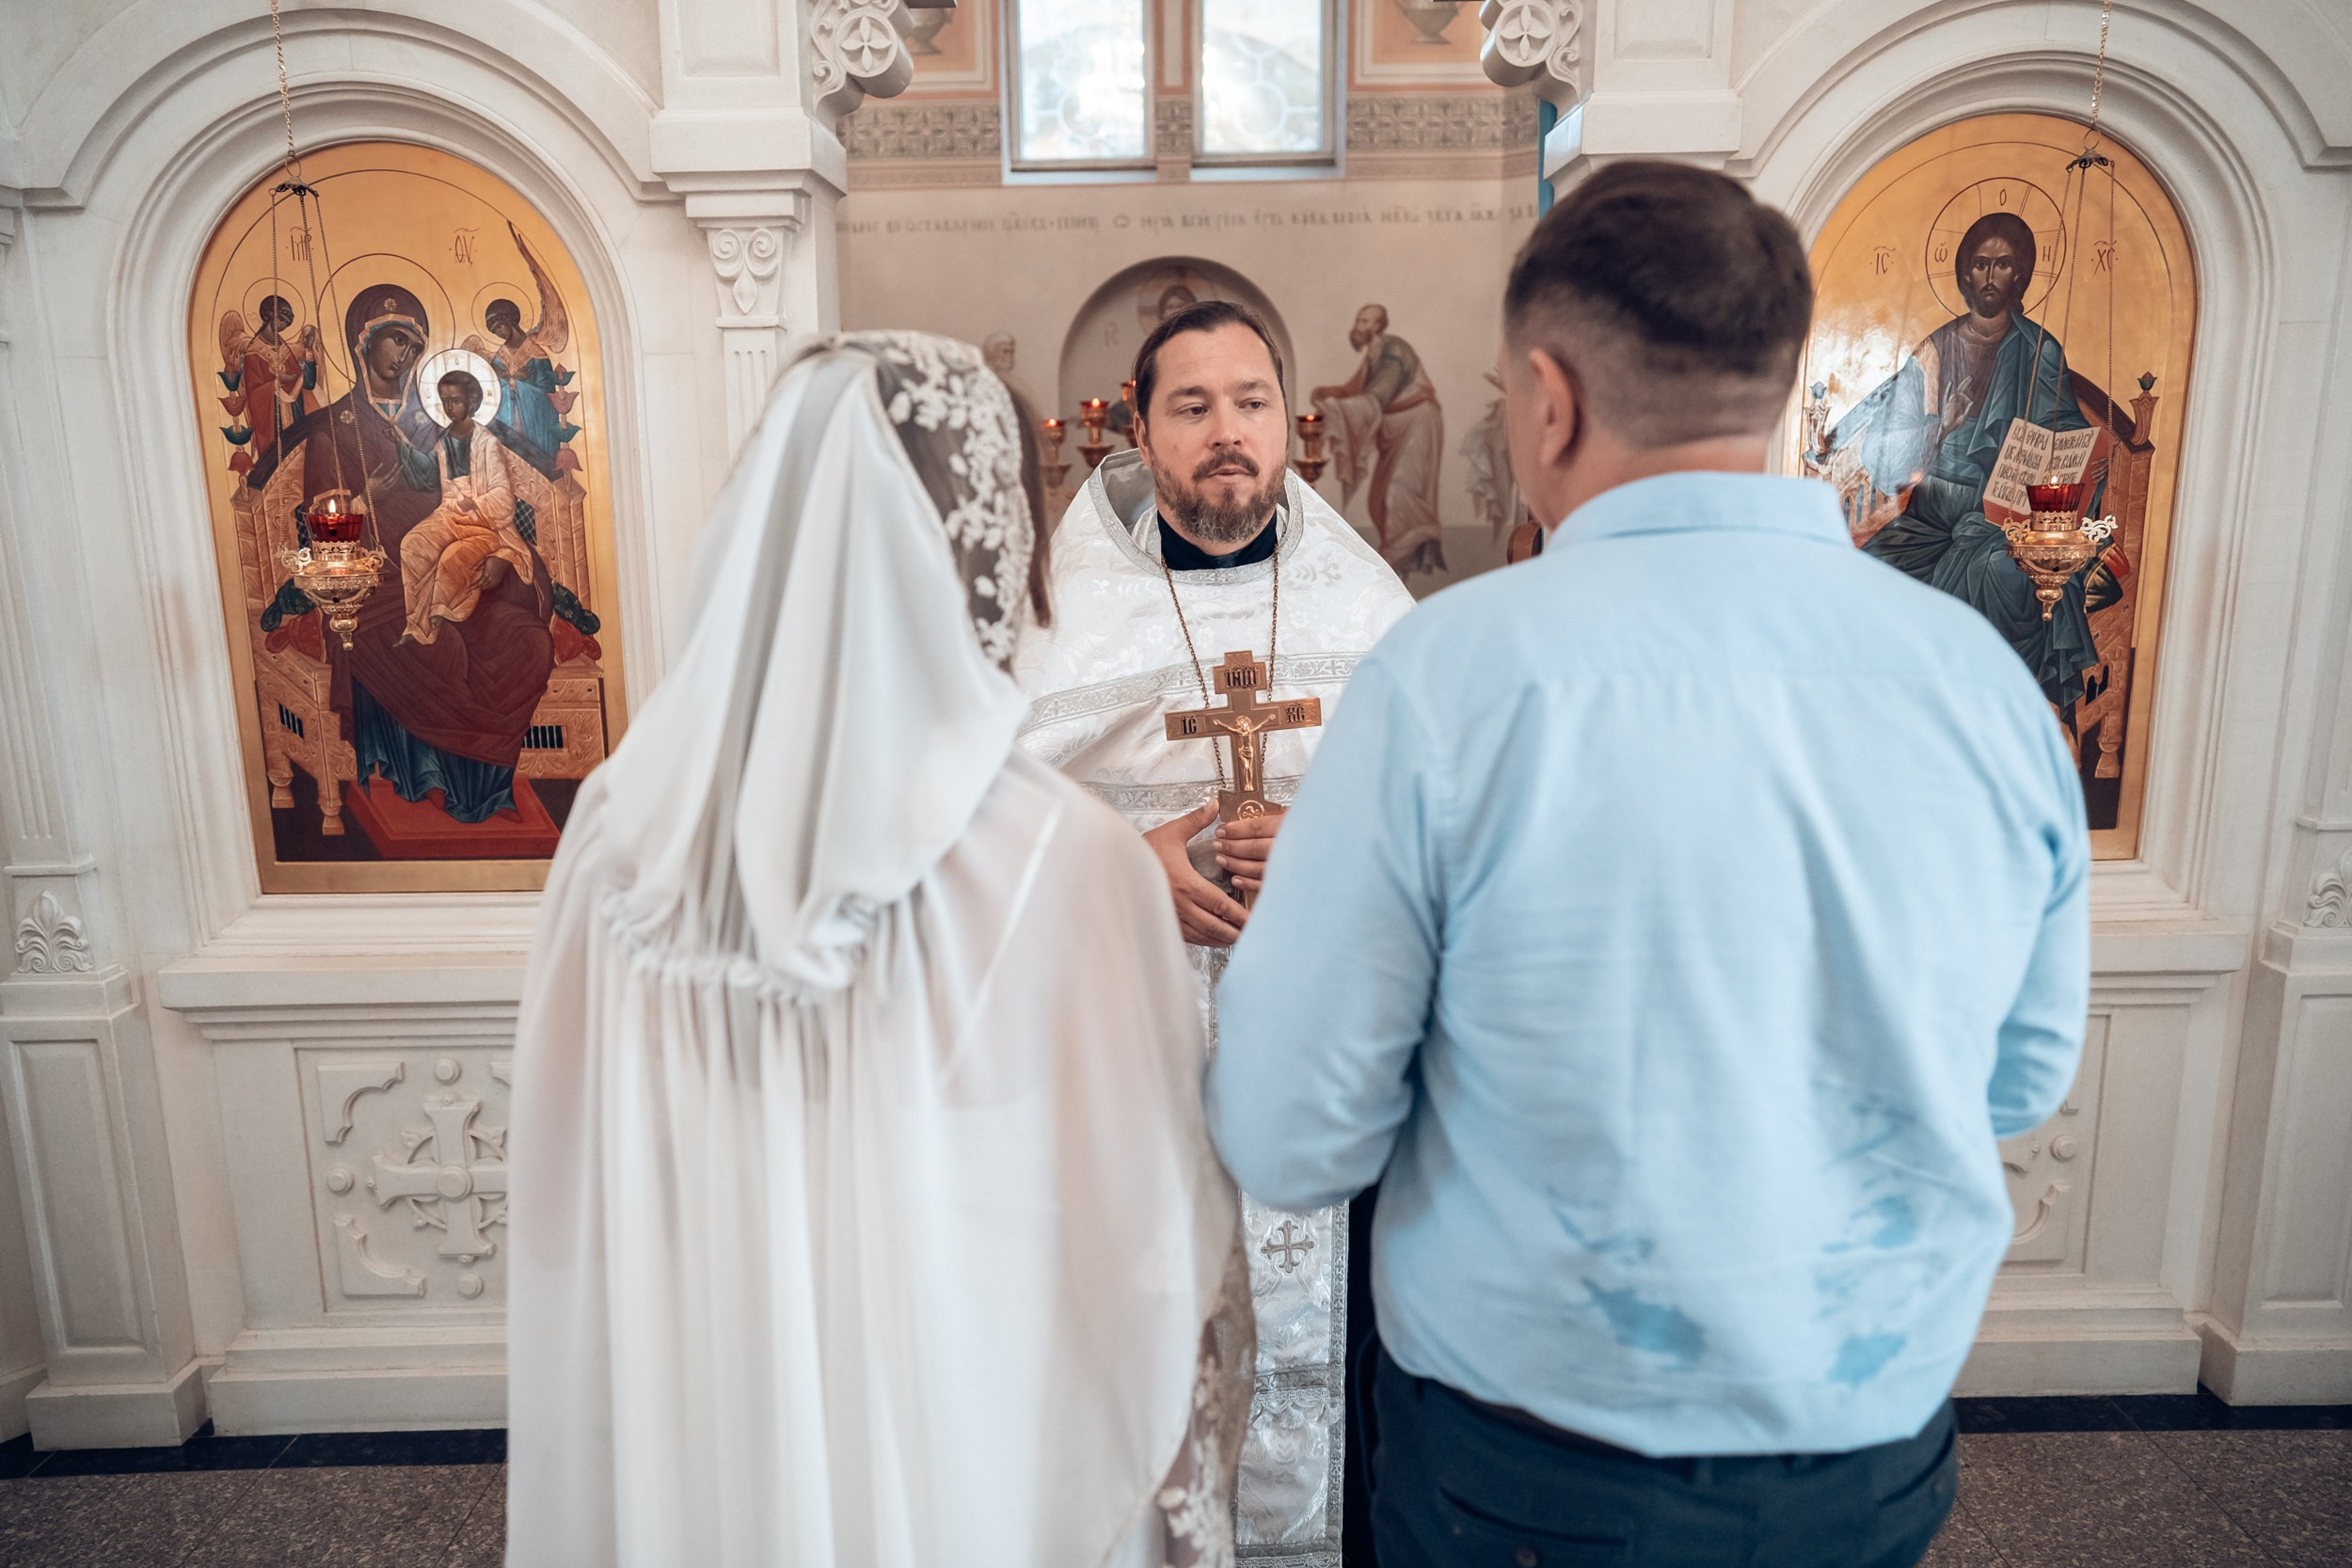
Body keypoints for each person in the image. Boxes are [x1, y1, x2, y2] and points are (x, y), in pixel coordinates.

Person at [1210, 162, 2090, 1567]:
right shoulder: (1978, 680)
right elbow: (2023, 1074)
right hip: (1865, 1449)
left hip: (1535, 1473)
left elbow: (1289, 1126)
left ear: (1549, 398)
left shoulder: (1452, 677)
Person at [507, 332, 1251, 1568]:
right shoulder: (1070, 853)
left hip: (716, 1400)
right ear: (990, 542)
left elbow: (563, 1194)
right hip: (978, 1417)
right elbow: (1145, 1249)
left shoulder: (617, 835)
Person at [1013, 299, 1414, 1565]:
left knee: (1324, 1364)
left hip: (1323, 1068)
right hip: (1127, 1061)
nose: (1226, 432)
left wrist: (1335, 845)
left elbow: (1447, 832)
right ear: (1137, 429)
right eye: (1190, 407)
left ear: (1292, 421)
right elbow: (970, 834)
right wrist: (1118, 863)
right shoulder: (1059, 618)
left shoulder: (1373, 611)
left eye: (1251, 402)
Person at [1818, 210, 2111, 719]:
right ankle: (1877, 723)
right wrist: (1941, 429)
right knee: (1862, 578)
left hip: (2002, 520)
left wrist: (2069, 457)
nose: (1990, 277)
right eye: (1980, 264)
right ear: (1963, 273)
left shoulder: (2039, 350)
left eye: (2003, 265)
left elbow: (2064, 430)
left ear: (2020, 275)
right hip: (1929, 520)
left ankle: (1985, 720)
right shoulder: (1932, 352)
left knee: (2001, 572)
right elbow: (1883, 454)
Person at [397, 370, 536, 646]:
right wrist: (402, 444)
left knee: (453, 557)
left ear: (471, 403)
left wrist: (475, 502)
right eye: (445, 401)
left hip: (485, 526)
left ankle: (437, 618)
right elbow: (437, 483)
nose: (450, 408)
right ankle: (417, 624)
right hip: (450, 515)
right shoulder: (442, 440)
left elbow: (503, 500)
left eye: (456, 401)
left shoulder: (488, 444)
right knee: (412, 544)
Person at [1313, 304, 1447, 578]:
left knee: (1401, 493)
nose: (1358, 326)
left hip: (1416, 424)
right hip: (1395, 428)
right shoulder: (1374, 354)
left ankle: (1402, 565)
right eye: (1358, 320)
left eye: (1364, 321)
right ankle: (1395, 563)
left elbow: (1376, 396)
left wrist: (1335, 409)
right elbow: (1356, 389)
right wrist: (1328, 392)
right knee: (1380, 497)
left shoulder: (1394, 350)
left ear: (1378, 326)